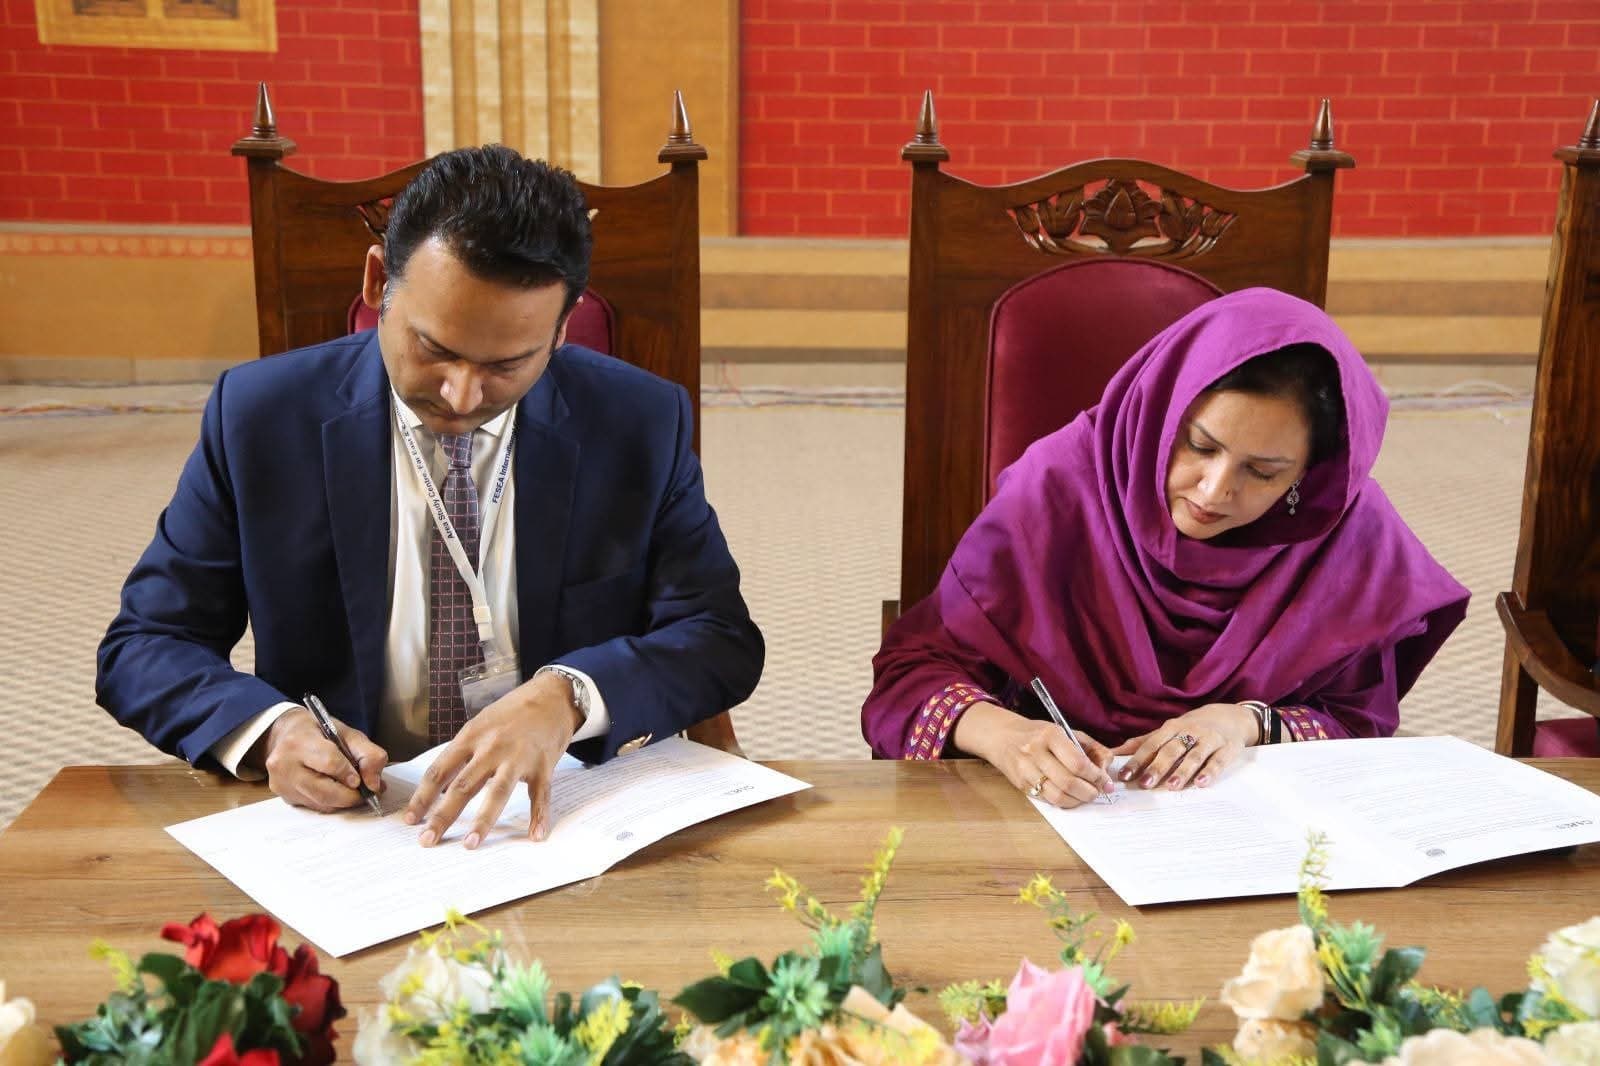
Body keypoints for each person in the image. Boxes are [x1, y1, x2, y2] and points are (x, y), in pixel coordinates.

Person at [97, 146, 763, 847]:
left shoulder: (637, 421)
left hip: (557, 818)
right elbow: (147, 643)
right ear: (379, 279)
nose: (462, 395)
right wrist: (272, 732)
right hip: (359, 824)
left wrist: (570, 695)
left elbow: (719, 638)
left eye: (508, 364)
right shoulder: (261, 417)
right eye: (435, 348)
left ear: (562, 329)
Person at [861, 287, 1468, 806]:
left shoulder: (1345, 533)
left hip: (1240, 823)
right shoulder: (1058, 489)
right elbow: (909, 679)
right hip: (1046, 811)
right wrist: (1001, 733)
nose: (1215, 491)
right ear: (1159, 415)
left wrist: (1245, 722)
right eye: (1200, 446)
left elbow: (1359, 724)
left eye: (1263, 473)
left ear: (1307, 476)